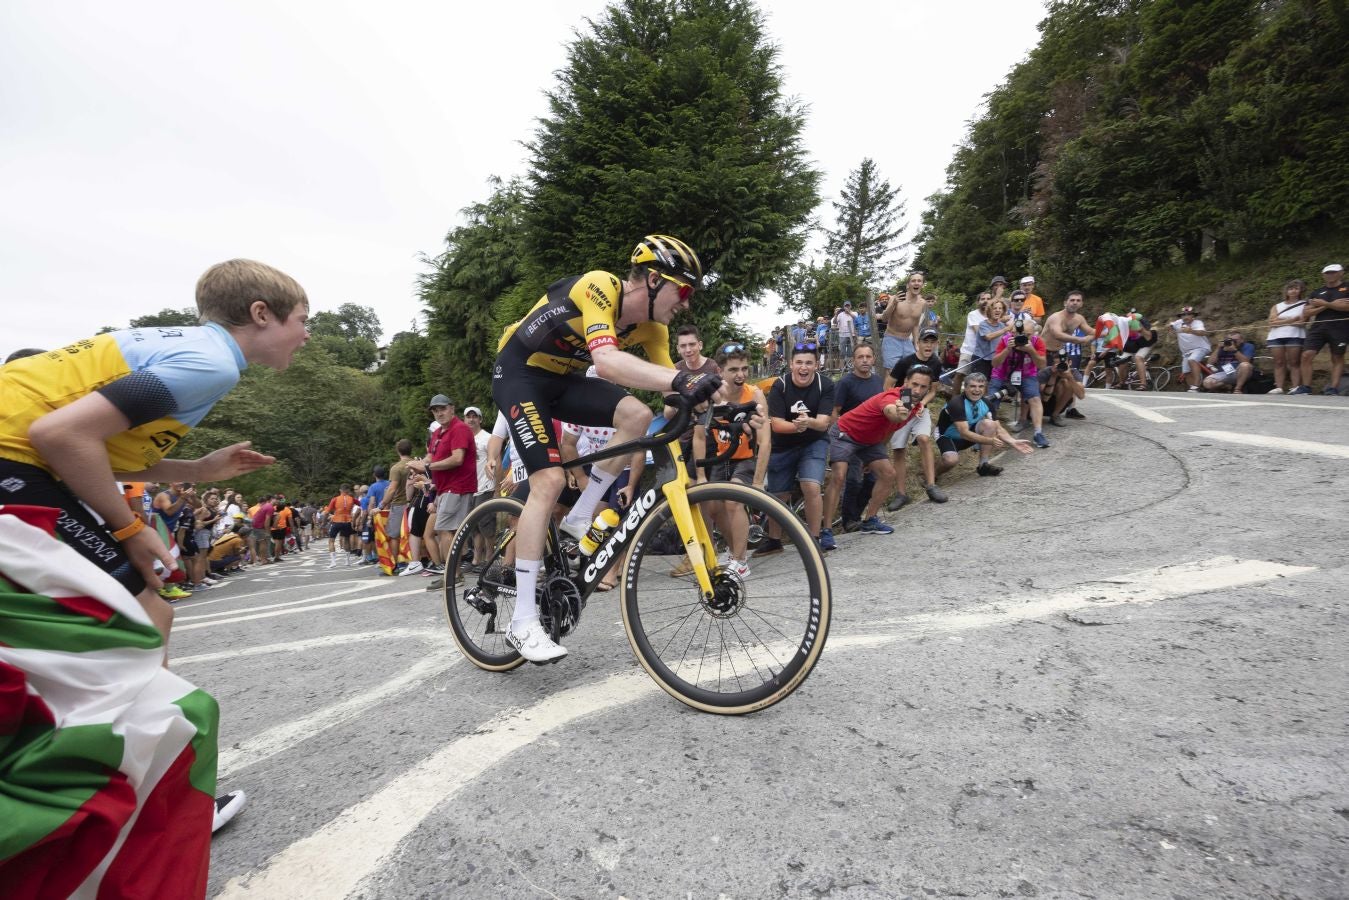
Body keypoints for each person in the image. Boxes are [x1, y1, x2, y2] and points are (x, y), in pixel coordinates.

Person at [490, 234, 724, 663]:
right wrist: (678, 382)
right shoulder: (600, 286)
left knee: (635, 417)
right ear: (653, 280)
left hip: (563, 382)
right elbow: (611, 363)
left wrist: (711, 405)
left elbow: (669, 389)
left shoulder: (654, 328)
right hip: (519, 374)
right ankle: (522, 621)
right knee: (549, 479)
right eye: (684, 290)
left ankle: (580, 517)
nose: (686, 303)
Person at [820, 367, 935, 547]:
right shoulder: (892, 398)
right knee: (839, 476)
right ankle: (825, 531)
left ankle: (870, 520)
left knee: (888, 474)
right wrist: (898, 413)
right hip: (846, 433)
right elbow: (892, 413)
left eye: (923, 387)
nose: (918, 390)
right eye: (914, 385)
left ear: (928, 389)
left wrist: (875, 453)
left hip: (871, 441)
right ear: (905, 382)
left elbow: (891, 428)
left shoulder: (912, 403)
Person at [691, 345, 771, 578]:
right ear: (720, 372)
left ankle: (740, 560)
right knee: (714, 509)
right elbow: (698, 437)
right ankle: (733, 549)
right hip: (719, 457)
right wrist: (701, 476)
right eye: (734, 369)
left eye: (745, 369)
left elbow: (765, 441)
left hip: (746, 458)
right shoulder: (711, 397)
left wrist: (757, 482)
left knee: (733, 501)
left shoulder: (754, 395)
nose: (741, 375)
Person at [762, 341, 834, 553]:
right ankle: (774, 540)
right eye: (799, 362)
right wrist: (799, 426)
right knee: (778, 495)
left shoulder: (826, 385)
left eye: (809, 363)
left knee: (811, 486)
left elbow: (823, 423)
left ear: (816, 365)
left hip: (814, 442)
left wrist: (807, 423)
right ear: (791, 364)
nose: (804, 367)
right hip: (782, 445)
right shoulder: (780, 385)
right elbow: (776, 424)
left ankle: (813, 540)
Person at [415, 396, 476, 589]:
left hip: (457, 487)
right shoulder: (439, 432)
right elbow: (431, 455)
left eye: (442, 408)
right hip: (444, 488)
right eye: (435, 410)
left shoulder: (459, 429)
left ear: (452, 408)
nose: (439, 413)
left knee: (445, 530)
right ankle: (453, 574)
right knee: (446, 531)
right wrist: (421, 465)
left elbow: (457, 459)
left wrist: (426, 466)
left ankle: (454, 575)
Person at [883, 328, 948, 508]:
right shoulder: (905, 361)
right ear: (917, 343)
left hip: (920, 406)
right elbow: (888, 385)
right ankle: (901, 493)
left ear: (936, 344)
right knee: (898, 448)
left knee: (924, 439)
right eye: (925, 341)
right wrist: (899, 403)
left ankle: (931, 485)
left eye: (932, 342)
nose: (928, 345)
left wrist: (921, 403)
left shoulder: (936, 362)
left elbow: (933, 390)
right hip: (901, 403)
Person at [934, 372, 1033, 480]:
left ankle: (983, 466)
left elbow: (998, 428)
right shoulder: (957, 404)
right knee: (950, 460)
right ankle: (931, 476)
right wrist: (989, 441)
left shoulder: (986, 403)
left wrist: (1012, 441)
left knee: (989, 424)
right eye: (973, 386)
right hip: (947, 436)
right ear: (965, 388)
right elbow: (965, 433)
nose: (977, 390)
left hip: (968, 434)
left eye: (981, 386)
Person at [831, 341, 884, 532]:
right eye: (860, 357)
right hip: (849, 438)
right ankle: (848, 520)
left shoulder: (879, 381)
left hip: (872, 440)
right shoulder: (845, 383)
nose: (864, 360)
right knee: (854, 480)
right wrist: (838, 438)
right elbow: (834, 412)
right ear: (853, 360)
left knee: (873, 479)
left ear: (874, 359)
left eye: (868, 357)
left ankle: (858, 515)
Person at [989, 313, 1051, 448]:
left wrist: (1031, 350)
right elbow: (994, 363)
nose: (1023, 338)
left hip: (1027, 374)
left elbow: (1042, 365)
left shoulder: (1037, 342)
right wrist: (1007, 350)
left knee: (1035, 398)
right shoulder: (1005, 340)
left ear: (1033, 333)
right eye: (1020, 334)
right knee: (992, 400)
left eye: (1028, 335)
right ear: (1013, 332)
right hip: (1002, 374)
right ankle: (989, 432)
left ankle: (1038, 433)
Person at [1040, 290, 1095, 422]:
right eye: (1072, 300)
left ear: (1081, 303)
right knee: (1039, 384)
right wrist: (1081, 340)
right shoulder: (1056, 317)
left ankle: (1057, 414)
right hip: (1043, 353)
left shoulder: (1079, 319)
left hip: (1060, 353)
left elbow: (1092, 331)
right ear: (1065, 302)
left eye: (1078, 300)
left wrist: (1109, 329)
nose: (1075, 303)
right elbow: (1057, 334)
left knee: (1066, 382)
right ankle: (1029, 413)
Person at [1298, 263, 1349, 395]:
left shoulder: (1346, 287)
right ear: (1323, 275)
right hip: (1318, 326)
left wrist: (1323, 303)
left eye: (1333, 272)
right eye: (1327, 273)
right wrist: (1328, 305)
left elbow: (1347, 307)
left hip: (1340, 326)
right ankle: (1305, 387)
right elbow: (1307, 312)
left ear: (1341, 273)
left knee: (1337, 356)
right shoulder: (1317, 292)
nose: (1330, 275)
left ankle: (1333, 388)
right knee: (1306, 355)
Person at [1266, 279, 1309, 394]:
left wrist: (1280, 320)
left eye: (1296, 288)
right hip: (1276, 336)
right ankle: (1279, 387)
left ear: (1300, 290)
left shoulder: (1304, 304)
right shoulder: (1277, 306)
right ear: (1286, 291)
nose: (1293, 291)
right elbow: (1271, 322)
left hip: (1295, 335)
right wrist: (1292, 319)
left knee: (1294, 362)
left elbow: (1302, 322)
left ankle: (1295, 386)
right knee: (1278, 362)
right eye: (1290, 288)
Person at [880, 272, 926, 369]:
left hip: (907, 341)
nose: (916, 283)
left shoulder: (922, 303)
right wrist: (894, 303)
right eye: (913, 281)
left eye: (919, 281)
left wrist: (916, 344)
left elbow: (915, 325)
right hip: (891, 339)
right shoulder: (894, 298)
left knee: (913, 371)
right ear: (908, 285)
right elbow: (884, 318)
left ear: (922, 284)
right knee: (892, 372)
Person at [953, 292, 991, 394]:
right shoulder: (973, 314)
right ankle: (954, 399)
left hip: (984, 353)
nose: (986, 301)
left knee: (981, 379)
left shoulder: (993, 316)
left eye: (988, 299)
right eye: (983, 299)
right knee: (960, 374)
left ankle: (979, 402)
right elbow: (980, 332)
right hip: (969, 350)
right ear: (978, 302)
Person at [1169, 306, 1211, 391]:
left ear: (1193, 316)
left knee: (1192, 360)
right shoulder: (1178, 322)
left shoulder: (1198, 323)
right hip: (1186, 352)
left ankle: (1196, 385)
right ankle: (1193, 389)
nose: (1185, 316)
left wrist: (1191, 331)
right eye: (1183, 315)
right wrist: (1170, 328)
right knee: (1186, 371)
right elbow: (1170, 325)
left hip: (1201, 348)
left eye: (1188, 314)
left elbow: (1202, 333)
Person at [325, 484, 357, 568]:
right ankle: (347, 561)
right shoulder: (352, 499)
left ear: (340, 490)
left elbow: (327, 511)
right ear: (348, 490)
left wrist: (324, 521)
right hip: (347, 522)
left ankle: (333, 562)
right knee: (346, 540)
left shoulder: (335, 499)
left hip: (337, 521)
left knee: (331, 541)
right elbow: (360, 504)